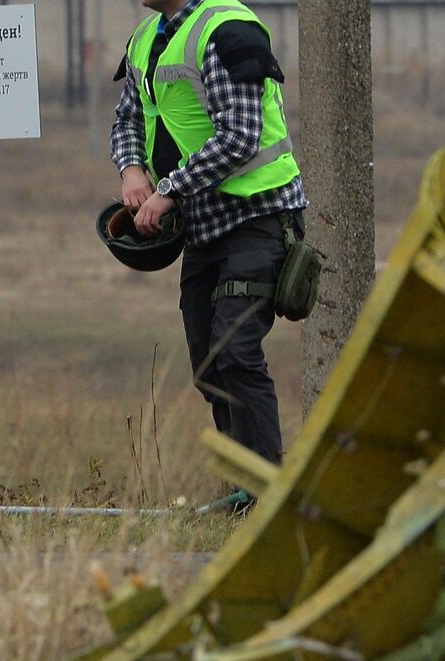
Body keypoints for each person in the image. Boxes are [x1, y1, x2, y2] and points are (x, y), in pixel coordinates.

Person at [111, 0, 307, 487]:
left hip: (259, 216)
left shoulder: (228, 30)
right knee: (208, 363)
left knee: (236, 350)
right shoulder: (144, 40)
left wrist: (169, 189)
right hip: (202, 225)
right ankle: (243, 486)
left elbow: (240, 137)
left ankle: (266, 492)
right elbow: (129, 120)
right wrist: (132, 170)